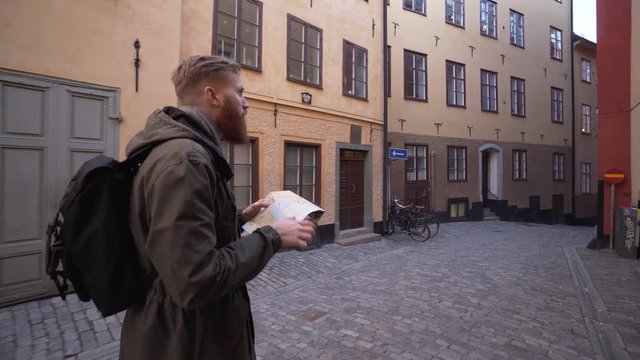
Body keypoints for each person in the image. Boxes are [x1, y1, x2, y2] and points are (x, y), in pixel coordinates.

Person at [120, 55, 316, 359]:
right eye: (239, 92)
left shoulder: (187, 151)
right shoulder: (185, 160)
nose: (246, 103)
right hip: (185, 342)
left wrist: (237, 221)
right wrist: (272, 236)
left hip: (193, 335)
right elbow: (195, 279)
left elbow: (180, 240)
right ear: (212, 95)